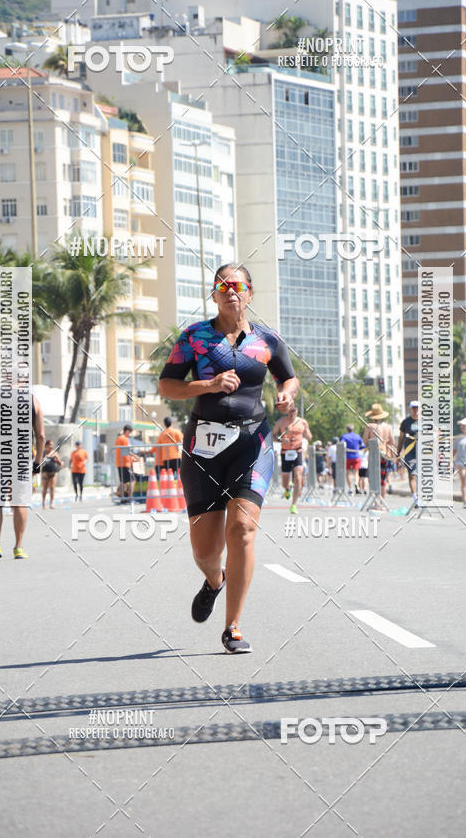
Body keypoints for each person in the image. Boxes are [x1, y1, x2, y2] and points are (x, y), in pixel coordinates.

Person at [159, 264, 298, 654]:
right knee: (205, 551)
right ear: (214, 295)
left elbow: (288, 377)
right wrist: (209, 384)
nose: (230, 291)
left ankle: (233, 626)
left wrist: (287, 394)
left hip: (252, 444)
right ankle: (214, 581)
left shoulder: (267, 339)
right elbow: (167, 384)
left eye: (237, 286)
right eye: (222, 286)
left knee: (241, 530)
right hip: (203, 448)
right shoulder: (194, 338)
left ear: (250, 293)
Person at [0, 389, 45, 560]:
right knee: (19, 502)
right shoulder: (33, 400)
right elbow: (41, 436)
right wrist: (37, 463)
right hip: (22, 457)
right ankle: (19, 547)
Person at [273, 406, 312, 514]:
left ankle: (294, 505)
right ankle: (288, 487)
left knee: (299, 477)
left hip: (298, 451)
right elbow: (272, 436)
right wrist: (280, 440)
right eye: (290, 411)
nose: (292, 413)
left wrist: (307, 434)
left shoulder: (303, 422)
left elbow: (309, 436)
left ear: (297, 411)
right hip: (285, 452)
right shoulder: (281, 422)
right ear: (287, 411)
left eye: (294, 411)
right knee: (284, 482)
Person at [363, 402, 396, 502]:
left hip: (373, 455)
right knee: (382, 480)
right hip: (384, 455)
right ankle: (382, 502)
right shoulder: (388, 427)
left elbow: (364, 442)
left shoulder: (369, 426)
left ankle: (375, 501)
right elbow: (393, 442)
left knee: (372, 479)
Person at [398, 401, 420, 501]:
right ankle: (415, 497)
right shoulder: (405, 422)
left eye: (417, 408)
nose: (415, 410)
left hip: (423, 453)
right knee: (412, 474)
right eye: (413, 408)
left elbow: (437, 432)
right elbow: (401, 438)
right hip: (410, 453)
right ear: (410, 409)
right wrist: (398, 453)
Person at [115, 424, 141, 500]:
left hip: (120, 463)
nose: (129, 435)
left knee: (123, 481)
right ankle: (130, 497)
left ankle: (122, 497)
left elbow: (122, 452)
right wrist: (135, 456)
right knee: (133, 480)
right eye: (129, 433)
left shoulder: (118, 439)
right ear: (127, 431)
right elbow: (127, 451)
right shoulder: (124, 439)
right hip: (125, 463)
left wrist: (132, 459)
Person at [341, 424, 365, 493]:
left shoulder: (344, 436)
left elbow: (342, 444)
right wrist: (358, 448)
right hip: (356, 456)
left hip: (348, 457)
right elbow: (363, 446)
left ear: (347, 429)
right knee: (356, 473)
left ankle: (350, 488)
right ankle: (356, 483)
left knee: (348, 473)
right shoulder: (358, 436)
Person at [41, 439, 63, 509]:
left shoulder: (55, 453)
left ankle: (51, 503)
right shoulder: (43, 453)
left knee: (52, 488)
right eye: (50, 444)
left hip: (53, 473)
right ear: (46, 445)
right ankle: (43, 504)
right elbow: (39, 462)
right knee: (44, 489)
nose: (51, 446)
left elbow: (60, 463)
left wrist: (58, 460)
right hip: (45, 473)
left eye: (52, 445)